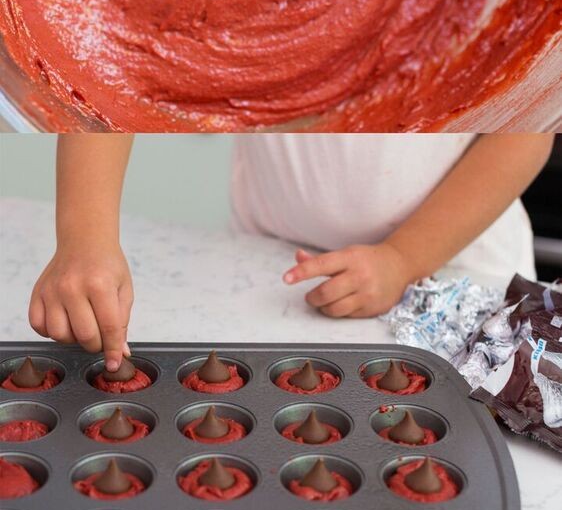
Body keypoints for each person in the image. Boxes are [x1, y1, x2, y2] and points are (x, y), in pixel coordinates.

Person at [28, 132, 552, 371]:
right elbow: (118, 55)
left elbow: (526, 132)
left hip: (460, 272)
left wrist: (402, 258)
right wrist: (85, 238)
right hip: (272, 273)